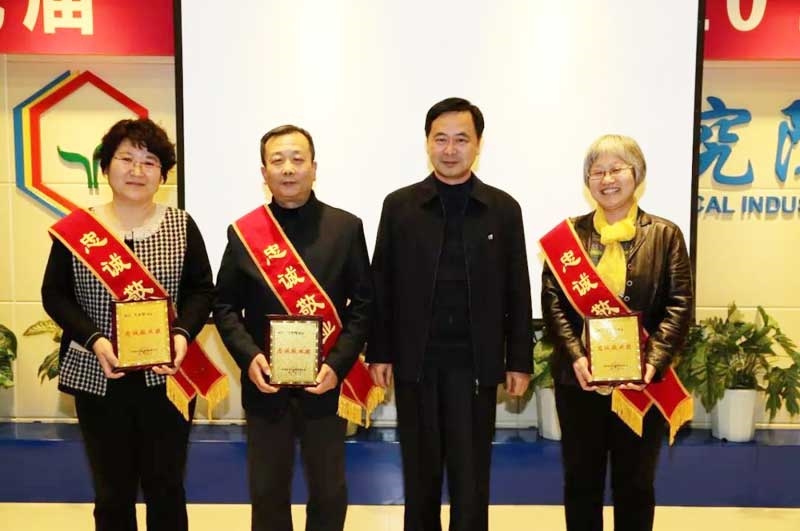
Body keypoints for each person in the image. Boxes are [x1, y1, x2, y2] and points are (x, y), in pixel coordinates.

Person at [41, 118, 216, 531]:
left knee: (166, 487)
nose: (137, 170)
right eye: (126, 159)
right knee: (111, 491)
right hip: (99, 375)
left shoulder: (182, 225)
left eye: (150, 162)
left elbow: (201, 291)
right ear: (106, 166)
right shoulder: (77, 230)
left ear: (163, 175)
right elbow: (55, 295)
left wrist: (181, 335)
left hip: (168, 377)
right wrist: (95, 339)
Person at [367, 97, 533, 531]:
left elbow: (518, 289)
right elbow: (381, 283)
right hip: (416, 363)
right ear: (427, 143)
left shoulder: (503, 208)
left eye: (462, 139)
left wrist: (518, 359)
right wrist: (379, 351)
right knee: (420, 474)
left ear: (478, 144)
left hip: (475, 365)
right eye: (441, 139)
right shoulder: (400, 206)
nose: (450, 149)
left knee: (471, 477)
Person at [213, 124, 373, 531]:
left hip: (326, 383)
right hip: (265, 384)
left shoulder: (346, 227)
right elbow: (225, 306)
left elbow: (364, 305)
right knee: (267, 491)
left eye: (297, 160)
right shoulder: (244, 233)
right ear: (263, 172)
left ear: (314, 168)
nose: (288, 169)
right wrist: (249, 357)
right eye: (277, 160)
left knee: (329, 490)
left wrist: (337, 364)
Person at [540, 134, 693, 531]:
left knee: (636, 485)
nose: (607, 179)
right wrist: (576, 356)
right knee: (581, 483)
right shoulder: (567, 239)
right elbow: (553, 305)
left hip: (641, 383)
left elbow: (679, 305)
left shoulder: (665, 235)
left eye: (616, 169)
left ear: (636, 174)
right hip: (579, 381)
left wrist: (652, 362)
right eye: (597, 172)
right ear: (587, 180)